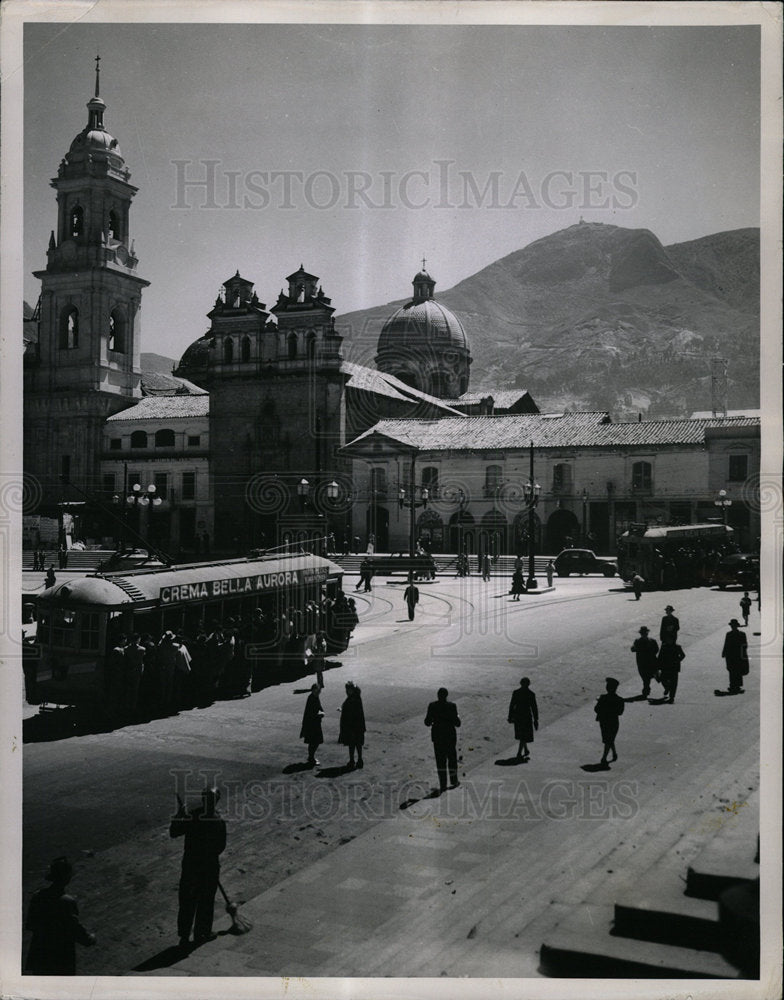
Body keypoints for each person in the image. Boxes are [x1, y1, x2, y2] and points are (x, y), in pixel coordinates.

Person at [170, 787, 227, 949]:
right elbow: (220, 847)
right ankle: (202, 932)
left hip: (190, 865)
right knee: (206, 901)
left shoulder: (193, 816)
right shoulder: (218, 821)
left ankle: (184, 935)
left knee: (187, 900)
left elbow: (174, 832)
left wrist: (179, 817)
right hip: (209, 867)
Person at [25, 856, 96, 974]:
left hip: (40, 955)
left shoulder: (38, 896)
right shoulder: (67, 901)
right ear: (67, 877)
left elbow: (30, 925)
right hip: (60, 957)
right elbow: (74, 928)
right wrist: (89, 939)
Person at [424, 687, 461, 792]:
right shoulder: (452, 706)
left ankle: (443, 784)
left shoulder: (432, 706)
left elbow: (427, 722)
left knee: (440, 761)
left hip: (437, 737)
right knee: (452, 759)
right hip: (450, 736)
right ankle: (454, 781)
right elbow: (457, 723)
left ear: (438, 695)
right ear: (446, 695)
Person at [594, 677, 624, 766]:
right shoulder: (620, 699)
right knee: (610, 739)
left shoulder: (602, 698)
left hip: (604, 722)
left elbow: (596, 709)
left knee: (608, 740)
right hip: (614, 722)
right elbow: (620, 712)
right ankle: (614, 754)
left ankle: (604, 758)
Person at [507, 677, 538, 760]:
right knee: (523, 735)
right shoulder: (531, 694)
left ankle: (521, 752)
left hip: (518, 716)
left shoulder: (516, 692)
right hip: (526, 716)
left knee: (522, 735)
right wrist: (536, 720)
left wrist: (510, 716)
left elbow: (512, 705)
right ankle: (522, 751)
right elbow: (534, 708)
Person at [338, 681, 366, 769]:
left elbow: (351, 712)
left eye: (348, 689)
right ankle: (358, 760)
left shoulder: (353, 699)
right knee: (357, 744)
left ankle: (353, 760)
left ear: (351, 690)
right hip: (358, 726)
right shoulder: (356, 697)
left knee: (352, 744)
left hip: (353, 726)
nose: (346, 691)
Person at [721, 618, 749, 695]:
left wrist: (724, 652)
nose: (732, 627)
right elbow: (745, 645)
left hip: (732, 655)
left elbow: (726, 644)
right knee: (735, 670)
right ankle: (736, 684)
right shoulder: (741, 634)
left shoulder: (729, 634)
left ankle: (733, 684)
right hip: (736, 655)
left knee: (733, 670)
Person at [631, 626, 660, 698]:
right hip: (643, 662)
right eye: (643, 633)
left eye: (644, 633)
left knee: (652, 676)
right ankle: (646, 689)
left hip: (648, 662)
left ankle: (646, 690)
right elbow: (656, 650)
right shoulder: (639, 641)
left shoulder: (650, 641)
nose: (644, 634)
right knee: (645, 677)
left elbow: (656, 649)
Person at [300, 683, 324, 765]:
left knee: (314, 741)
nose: (319, 692)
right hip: (312, 724)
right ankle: (311, 757)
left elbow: (319, 707)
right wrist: (319, 714)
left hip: (315, 723)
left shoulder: (315, 697)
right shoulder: (311, 698)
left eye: (319, 690)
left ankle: (311, 757)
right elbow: (311, 713)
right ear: (314, 690)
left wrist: (322, 711)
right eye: (318, 690)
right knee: (314, 742)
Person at [657, 634, 685, 704]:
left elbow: (683, 655)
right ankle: (667, 687)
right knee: (663, 679)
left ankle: (672, 697)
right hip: (665, 667)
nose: (669, 641)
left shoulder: (677, 647)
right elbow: (660, 657)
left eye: (670, 639)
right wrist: (658, 666)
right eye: (668, 639)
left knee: (674, 683)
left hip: (674, 668)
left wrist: (677, 660)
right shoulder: (664, 647)